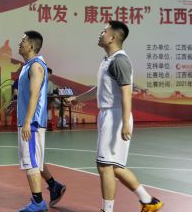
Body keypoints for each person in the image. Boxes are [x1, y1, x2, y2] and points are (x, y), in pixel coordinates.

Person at [69, 21, 163, 212]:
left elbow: (126, 92)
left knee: (104, 166)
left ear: (112, 37)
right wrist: (78, 99)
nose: (100, 33)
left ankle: (107, 210)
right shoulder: (109, 60)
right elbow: (100, 88)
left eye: (104, 31)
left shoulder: (120, 61)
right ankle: (149, 201)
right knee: (115, 167)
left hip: (116, 116)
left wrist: (125, 122)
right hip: (108, 115)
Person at [16, 31, 65, 212]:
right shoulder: (28, 65)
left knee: (31, 162)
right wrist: (16, 104)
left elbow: (35, 95)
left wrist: (28, 121)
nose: (19, 43)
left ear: (31, 45)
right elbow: (28, 94)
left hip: (33, 123)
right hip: (29, 120)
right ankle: (54, 186)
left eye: (23, 41)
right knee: (35, 158)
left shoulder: (36, 66)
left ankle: (38, 203)